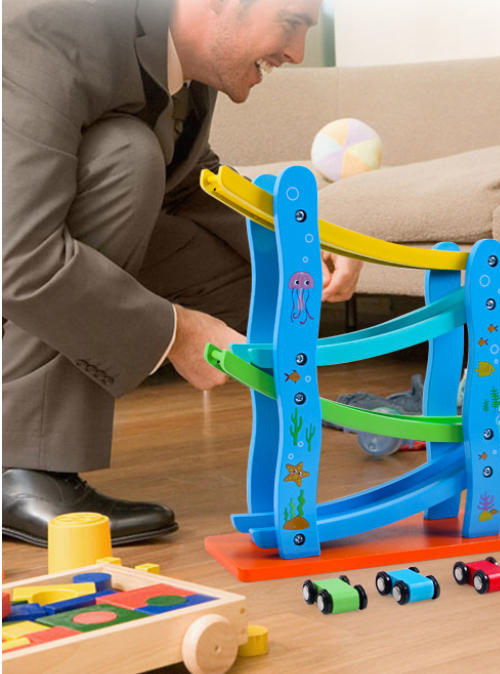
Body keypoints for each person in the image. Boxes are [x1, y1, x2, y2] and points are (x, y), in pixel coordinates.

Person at [2, 0, 362, 547]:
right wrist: (175, 331)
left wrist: (302, 245)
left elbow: (190, 179)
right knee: (127, 156)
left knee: (274, 284)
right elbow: (18, 256)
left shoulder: (189, 68)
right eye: (291, 24)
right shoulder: (55, 29)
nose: (297, 52)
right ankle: (20, 468)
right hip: (15, 251)